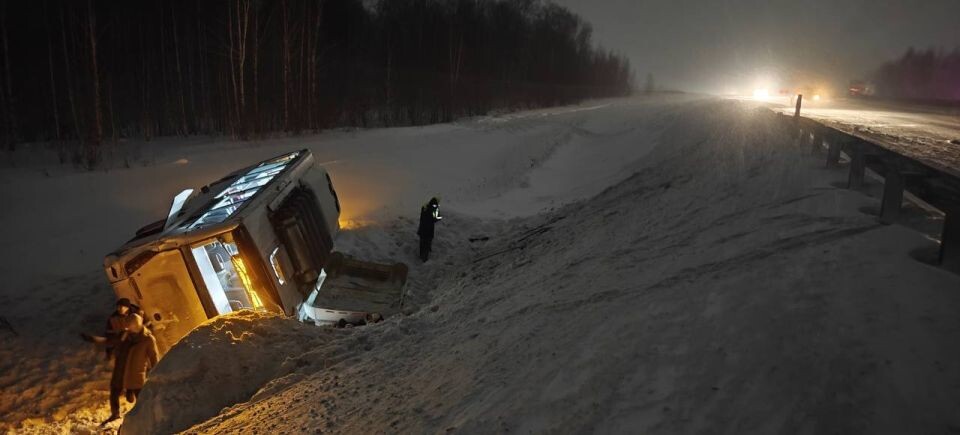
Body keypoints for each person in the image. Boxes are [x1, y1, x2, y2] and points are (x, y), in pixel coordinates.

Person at [119, 313, 159, 406]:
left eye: (130, 327)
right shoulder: (129, 337)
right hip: (128, 378)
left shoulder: (148, 339)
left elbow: (154, 357)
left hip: (139, 379)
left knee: (142, 403)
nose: (128, 329)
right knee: (131, 400)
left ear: (135, 325)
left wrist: (156, 373)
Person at [417, 197, 442, 262]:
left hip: (422, 228)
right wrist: (437, 210)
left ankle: (421, 256)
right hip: (429, 230)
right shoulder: (434, 209)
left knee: (422, 243)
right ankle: (424, 259)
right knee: (427, 244)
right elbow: (437, 219)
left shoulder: (424, 207)